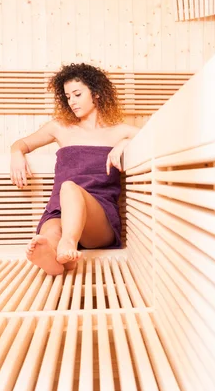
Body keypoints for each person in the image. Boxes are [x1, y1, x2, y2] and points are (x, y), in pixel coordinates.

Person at [10, 63, 139, 276]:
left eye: (77, 94)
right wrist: (16, 154)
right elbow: (21, 144)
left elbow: (156, 138)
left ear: (96, 93)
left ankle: (67, 244)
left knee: (69, 188)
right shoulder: (59, 128)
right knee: (49, 234)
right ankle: (58, 259)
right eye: (68, 97)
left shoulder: (119, 132)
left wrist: (126, 143)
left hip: (98, 216)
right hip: (59, 210)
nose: (72, 102)